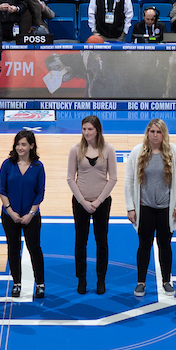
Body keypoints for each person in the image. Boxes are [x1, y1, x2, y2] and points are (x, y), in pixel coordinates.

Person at [125, 119, 176, 297]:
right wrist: (130, 207)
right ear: (147, 133)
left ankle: (167, 281)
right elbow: (129, 181)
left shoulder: (174, 152)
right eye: (152, 131)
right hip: (145, 207)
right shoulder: (137, 152)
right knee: (144, 245)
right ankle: (141, 282)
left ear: (164, 134)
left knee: (165, 245)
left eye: (158, 132)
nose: (155, 135)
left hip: (166, 209)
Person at [65, 115, 117, 295]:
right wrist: (83, 202)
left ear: (97, 130)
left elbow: (113, 178)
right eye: (84, 129)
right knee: (81, 241)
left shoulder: (108, 149)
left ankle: (101, 279)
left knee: (101, 241)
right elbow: (70, 178)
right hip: (80, 203)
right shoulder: (75, 150)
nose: (86, 132)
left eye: (90, 129)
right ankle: (82, 279)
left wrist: (97, 201)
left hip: (101, 203)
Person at [0, 129, 47, 299]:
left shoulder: (38, 167)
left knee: (35, 249)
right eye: (18, 144)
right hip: (9, 215)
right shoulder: (7, 165)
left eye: (24, 144)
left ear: (31, 146)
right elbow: (1, 189)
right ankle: (16, 283)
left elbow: (40, 193)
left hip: (31, 216)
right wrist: (10, 211)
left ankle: (40, 284)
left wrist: (31, 214)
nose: (20, 147)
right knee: (13, 249)